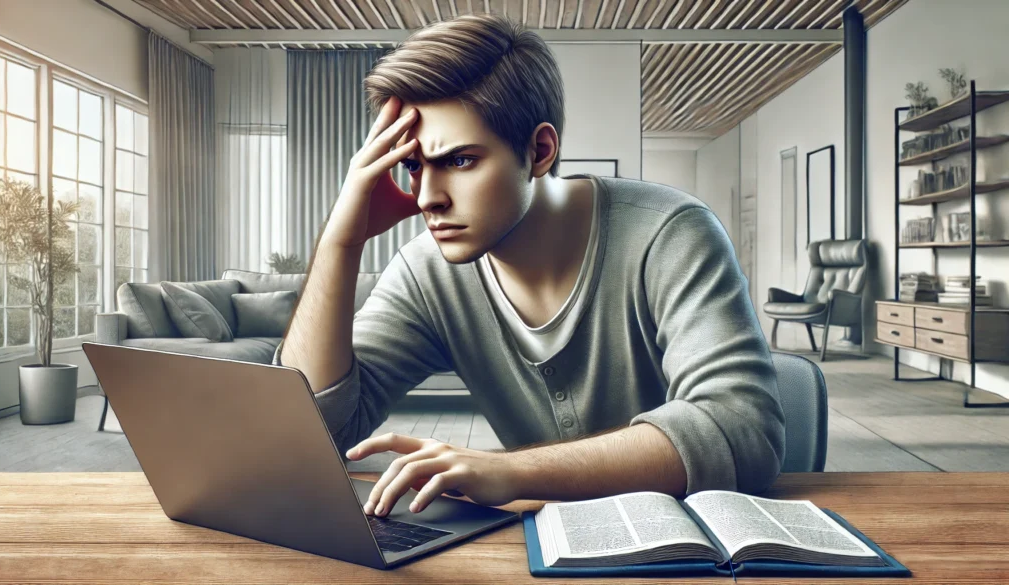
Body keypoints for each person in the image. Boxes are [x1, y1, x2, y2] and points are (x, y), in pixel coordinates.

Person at [275, 13, 784, 519]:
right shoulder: (426, 273)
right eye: (413, 165)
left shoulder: (670, 234)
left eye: (458, 161)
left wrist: (510, 471)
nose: (428, 198)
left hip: (699, 547)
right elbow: (311, 436)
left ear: (539, 150)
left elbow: (743, 430)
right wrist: (342, 241)